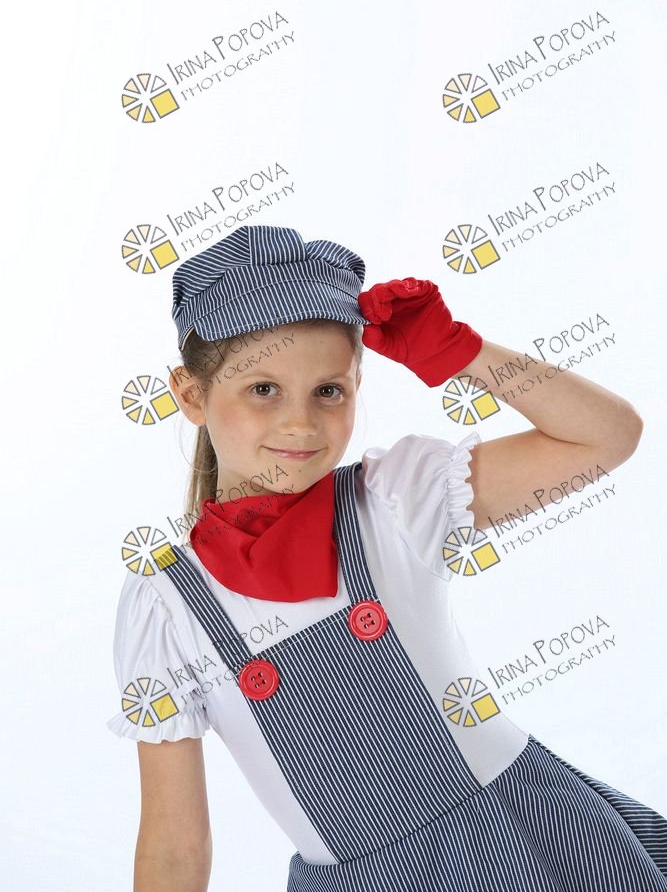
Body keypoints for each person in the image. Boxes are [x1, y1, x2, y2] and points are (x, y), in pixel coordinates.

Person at [106, 223, 667, 891]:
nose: (300, 423)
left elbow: (606, 437)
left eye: (329, 390)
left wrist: (460, 351)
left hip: (532, 840)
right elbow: (174, 845)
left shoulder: (396, 498)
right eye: (263, 389)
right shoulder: (165, 607)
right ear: (191, 394)